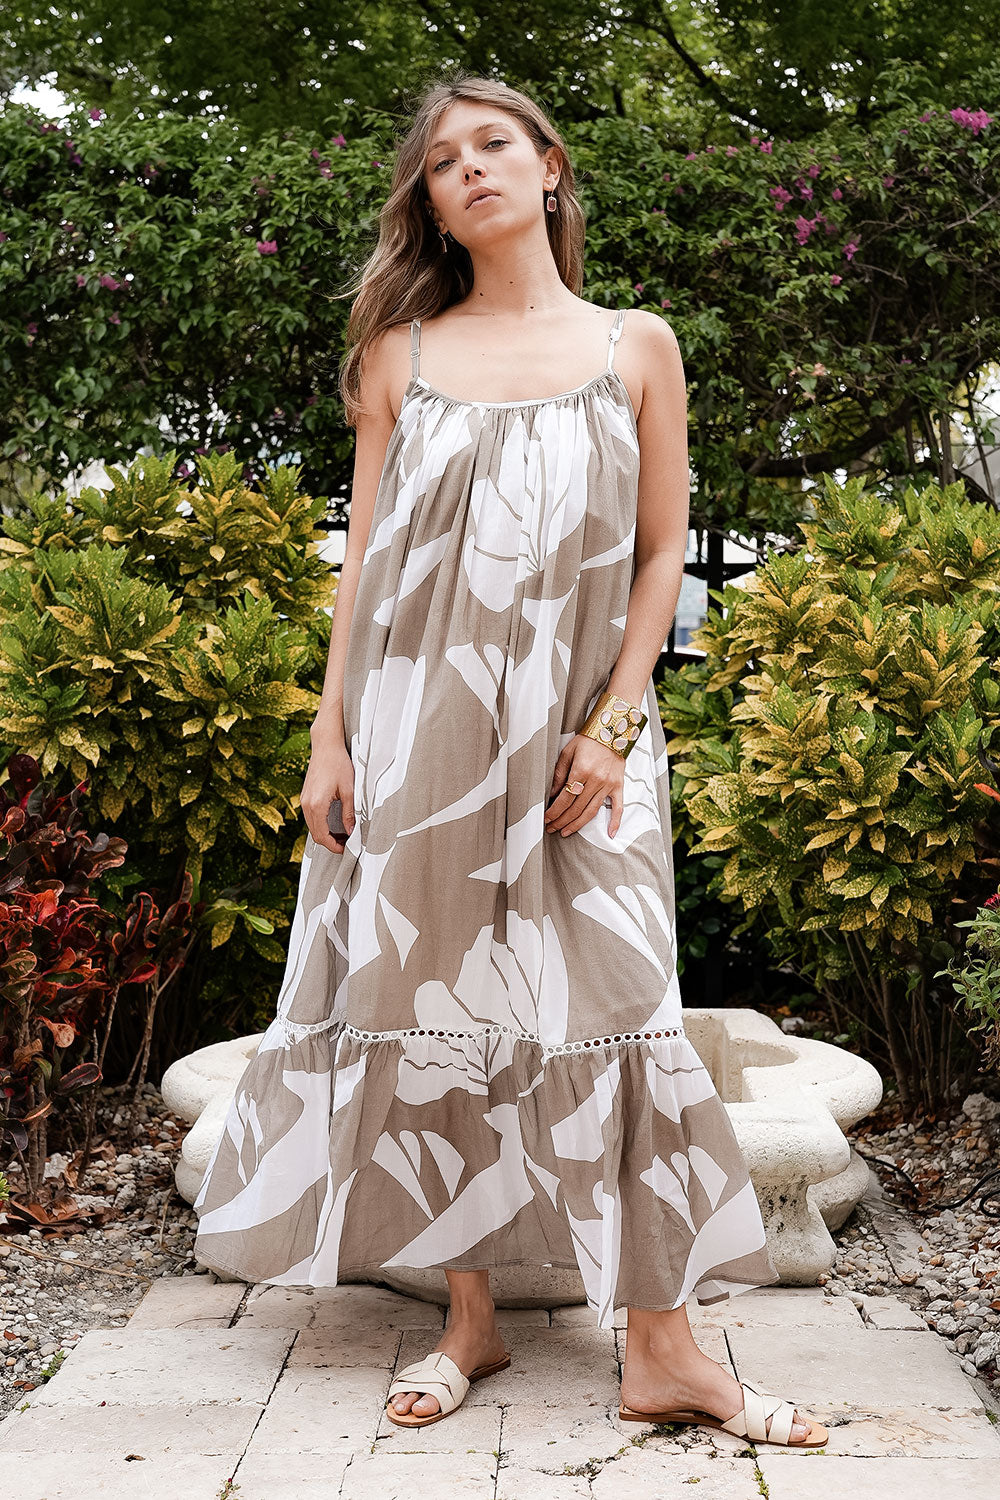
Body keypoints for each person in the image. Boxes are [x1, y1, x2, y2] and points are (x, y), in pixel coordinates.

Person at [191, 72, 827, 1450]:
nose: (466, 169)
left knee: (622, 1010)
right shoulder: (400, 356)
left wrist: (615, 725)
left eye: (493, 145)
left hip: (584, 743)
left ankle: (664, 1351)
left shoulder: (636, 345)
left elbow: (665, 552)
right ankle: (468, 1317)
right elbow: (363, 565)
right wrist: (329, 732)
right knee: (437, 1020)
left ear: (549, 169)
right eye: (439, 162)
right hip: (419, 734)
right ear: (427, 201)